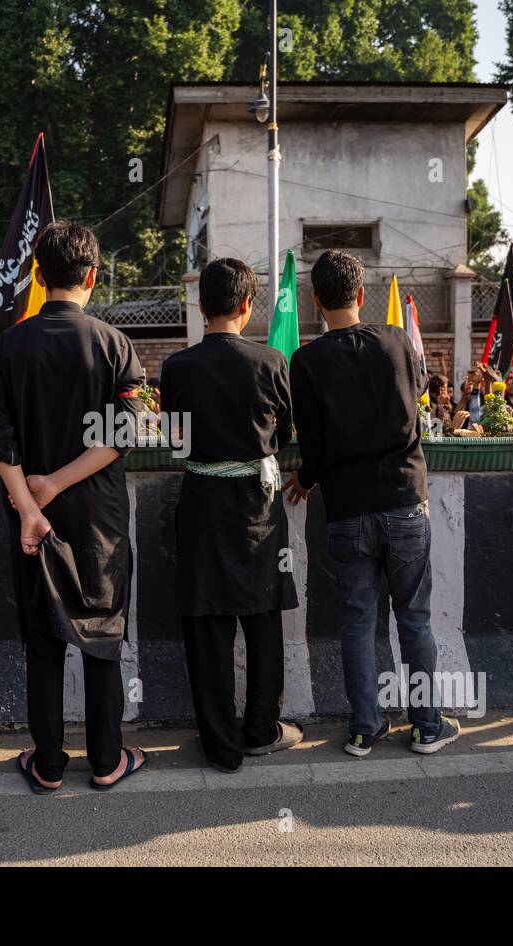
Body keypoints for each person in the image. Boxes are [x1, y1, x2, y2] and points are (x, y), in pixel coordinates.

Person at [0, 222, 148, 793]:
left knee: (44, 635)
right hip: (98, 517)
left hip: (32, 518)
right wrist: (57, 482)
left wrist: (32, 503)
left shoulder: (7, 345)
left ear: (38, 274)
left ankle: (48, 764)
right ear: (93, 277)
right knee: (101, 630)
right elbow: (123, 435)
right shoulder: (113, 344)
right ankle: (107, 761)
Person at [286, 251, 459, 756]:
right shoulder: (398, 341)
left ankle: (365, 727)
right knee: (415, 619)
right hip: (406, 501)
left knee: (357, 620)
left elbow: (313, 444)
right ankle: (427, 726)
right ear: (361, 295)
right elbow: (418, 396)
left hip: (347, 510)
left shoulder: (307, 361)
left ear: (315, 300)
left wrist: (307, 477)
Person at [160, 257, 303, 773]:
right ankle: (261, 731)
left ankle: (220, 746)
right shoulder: (270, 362)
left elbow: (176, 440)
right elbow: (286, 433)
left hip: (201, 504)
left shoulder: (177, 367)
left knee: (207, 623)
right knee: (263, 619)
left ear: (200, 307)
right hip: (257, 507)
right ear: (248, 305)